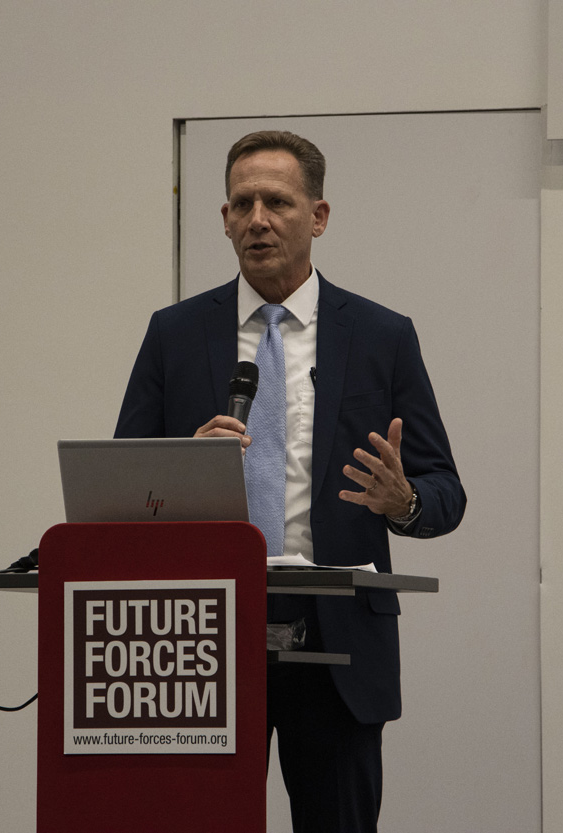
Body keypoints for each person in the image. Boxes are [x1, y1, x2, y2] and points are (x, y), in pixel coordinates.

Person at [114, 130, 466, 833]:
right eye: (241, 204)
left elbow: (445, 491)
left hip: (337, 643)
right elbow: (121, 488)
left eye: (276, 202)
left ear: (319, 216)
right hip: (204, 638)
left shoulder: (382, 335)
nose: (257, 219)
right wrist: (183, 467)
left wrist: (404, 502)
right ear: (223, 219)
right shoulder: (175, 333)